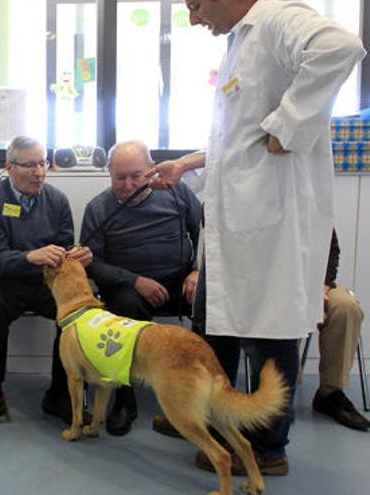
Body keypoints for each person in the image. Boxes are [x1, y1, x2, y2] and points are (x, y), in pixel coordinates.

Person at [147, 0, 366, 475]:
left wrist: (289, 126)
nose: (193, 18)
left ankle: (269, 449)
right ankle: (204, 416)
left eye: (196, 4)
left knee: (270, 335)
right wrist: (184, 164)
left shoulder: (277, 19)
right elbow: (236, 141)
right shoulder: (237, 43)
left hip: (269, 228)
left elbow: (341, 47)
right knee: (209, 330)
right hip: (229, 231)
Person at [0, 135, 93, 431]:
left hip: (45, 279)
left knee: (77, 313)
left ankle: (59, 394)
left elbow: (63, 248)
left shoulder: (57, 200)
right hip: (1, 277)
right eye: (30, 165)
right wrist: (30, 256)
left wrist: (76, 256)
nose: (40, 172)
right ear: (10, 167)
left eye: (43, 163)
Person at [80, 140, 200, 436]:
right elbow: (92, 264)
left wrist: (198, 270)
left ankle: (198, 397)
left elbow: (206, 236)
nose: (128, 184)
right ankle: (124, 399)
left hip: (180, 281)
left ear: (151, 170)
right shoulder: (98, 208)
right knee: (124, 308)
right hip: (129, 287)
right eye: (119, 178)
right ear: (109, 174)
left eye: (136, 176)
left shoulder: (177, 193)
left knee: (211, 301)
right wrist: (134, 280)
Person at [312, 230, 370, 431]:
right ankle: (281, 393)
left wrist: (323, 289)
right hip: (274, 288)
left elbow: (331, 250)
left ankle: (330, 393)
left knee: (346, 307)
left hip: (316, 285)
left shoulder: (313, 202)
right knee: (286, 312)